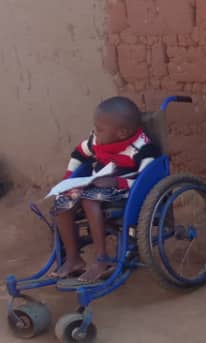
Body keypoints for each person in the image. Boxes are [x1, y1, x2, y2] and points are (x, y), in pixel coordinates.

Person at [50, 97, 160, 282]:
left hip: (126, 192)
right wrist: (69, 180)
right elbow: (78, 154)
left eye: (100, 129)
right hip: (94, 186)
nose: (95, 132)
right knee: (62, 203)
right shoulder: (96, 140)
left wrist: (117, 182)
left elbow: (146, 181)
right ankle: (73, 258)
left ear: (122, 132)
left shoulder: (143, 148)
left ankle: (102, 259)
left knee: (89, 200)